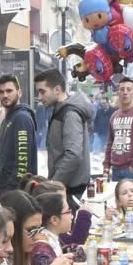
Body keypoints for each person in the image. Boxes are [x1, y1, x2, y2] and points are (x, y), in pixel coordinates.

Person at [34, 69, 92, 208]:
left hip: (70, 188)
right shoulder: (61, 109)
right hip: (67, 186)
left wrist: (54, 184)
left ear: (57, 89)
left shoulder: (70, 113)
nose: (40, 97)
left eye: (42, 92)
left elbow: (74, 154)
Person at [0, 74, 37, 197]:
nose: (5, 95)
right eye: (1, 92)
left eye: (9, 91)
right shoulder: (9, 118)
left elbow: (23, 163)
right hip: (5, 189)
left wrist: (11, 191)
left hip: (15, 193)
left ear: (19, 93)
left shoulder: (21, 118)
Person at [29, 189, 91, 265]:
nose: (72, 216)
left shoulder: (51, 237)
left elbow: (64, 249)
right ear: (54, 220)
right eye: (68, 211)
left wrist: (83, 250)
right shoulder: (43, 247)